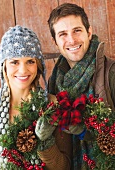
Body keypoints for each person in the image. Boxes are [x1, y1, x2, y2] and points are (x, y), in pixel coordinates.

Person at [47, 3, 115, 170]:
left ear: (89, 32)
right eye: (63, 34)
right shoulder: (54, 82)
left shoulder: (111, 73)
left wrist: (88, 133)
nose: (71, 40)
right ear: (55, 41)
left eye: (77, 30)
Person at [0, 25, 72, 170]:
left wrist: (45, 141)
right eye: (14, 62)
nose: (23, 70)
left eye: (30, 61)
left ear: (38, 64)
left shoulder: (52, 105)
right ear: (4, 65)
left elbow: (64, 166)